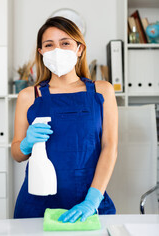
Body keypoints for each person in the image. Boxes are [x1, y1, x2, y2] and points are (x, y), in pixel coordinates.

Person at [11, 16, 118, 223]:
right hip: (36, 202)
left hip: (88, 199)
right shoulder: (28, 96)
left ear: (79, 49)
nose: (57, 50)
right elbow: (17, 154)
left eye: (65, 43)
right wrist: (26, 144)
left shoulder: (102, 91)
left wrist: (92, 201)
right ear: (41, 52)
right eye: (49, 45)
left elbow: (109, 148)